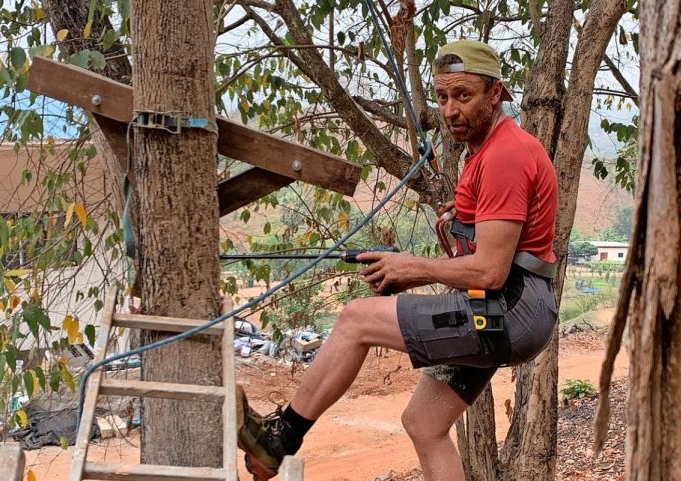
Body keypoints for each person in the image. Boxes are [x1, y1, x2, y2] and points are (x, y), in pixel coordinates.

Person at [238, 39, 559, 481]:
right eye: (443, 97)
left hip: (511, 307)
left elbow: (490, 270)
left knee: (355, 320)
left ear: (496, 93)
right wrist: (424, 258)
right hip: (512, 307)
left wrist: (413, 267)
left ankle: (280, 438)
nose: (450, 111)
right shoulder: (486, 151)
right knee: (425, 423)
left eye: (464, 96)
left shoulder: (505, 154)